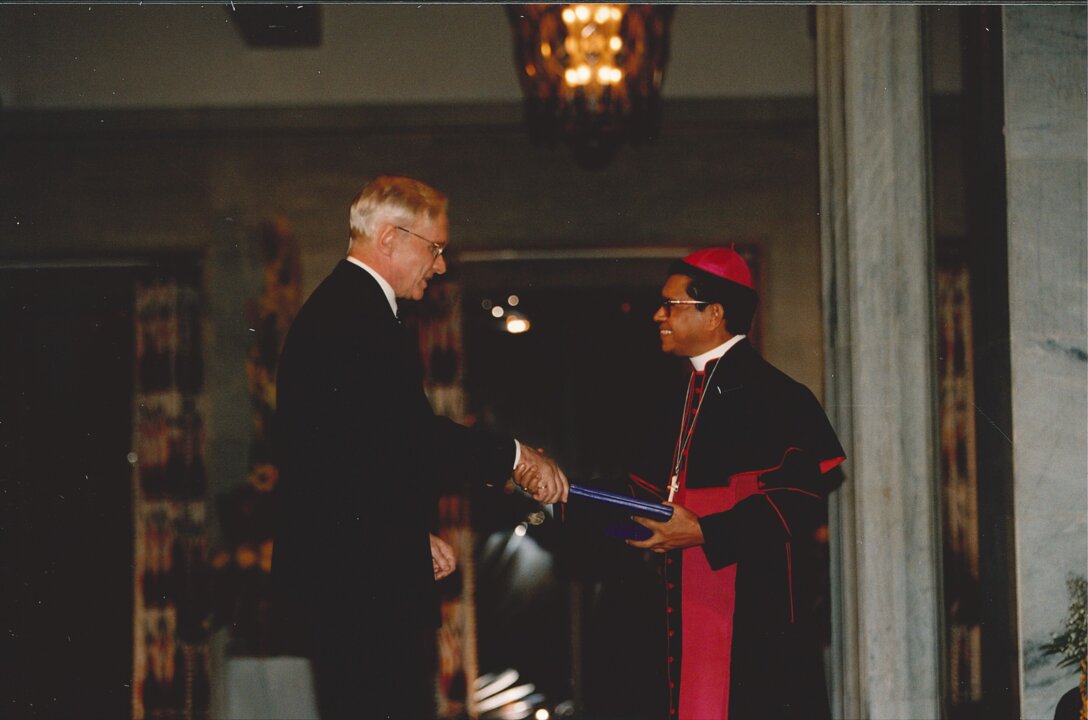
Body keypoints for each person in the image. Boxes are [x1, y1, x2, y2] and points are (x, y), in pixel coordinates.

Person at [271, 176, 569, 719]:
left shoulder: (350, 307)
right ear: (389, 239)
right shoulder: (354, 315)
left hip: (358, 569)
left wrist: (403, 530)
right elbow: (409, 437)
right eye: (434, 249)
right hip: (361, 586)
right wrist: (516, 456)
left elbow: (357, 454)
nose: (439, 266)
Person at [628, 248, 845, 719]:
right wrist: (556, 491)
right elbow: (639, 498)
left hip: (751, 623)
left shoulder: (782, 397)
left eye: (672, 305)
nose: (658, 315)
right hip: (678, 614)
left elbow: (799, 501)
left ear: (715, 315)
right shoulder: (668, 398)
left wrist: (706, 532)